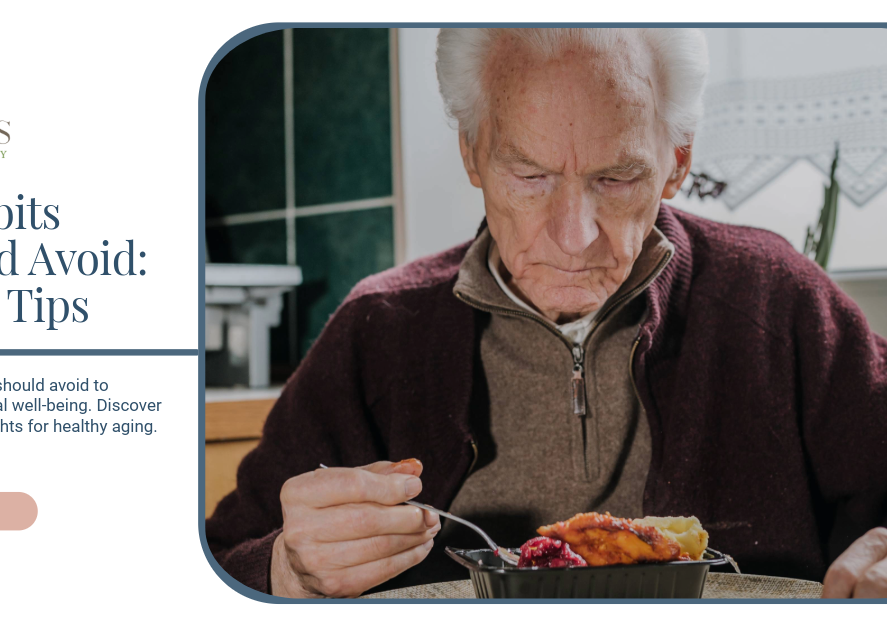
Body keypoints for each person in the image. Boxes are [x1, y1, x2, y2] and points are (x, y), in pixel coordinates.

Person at [205, 28, 887, 599]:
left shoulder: (778, 299)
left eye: (616, 178)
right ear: (473, 153)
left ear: (676, 163)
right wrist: (285, 570)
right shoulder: (377, 330)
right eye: (528, 176)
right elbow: (221, 561)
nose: (572, 236)